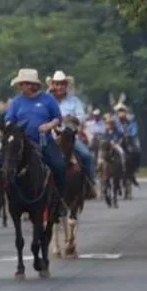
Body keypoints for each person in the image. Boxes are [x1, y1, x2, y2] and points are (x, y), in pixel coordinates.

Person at [3, 68, 66, 194]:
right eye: (20, 84)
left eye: (22, 84)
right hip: (21, 142)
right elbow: (9, 119)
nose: (20, 87)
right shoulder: (16, 101)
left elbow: (57, 118)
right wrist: (11, 126)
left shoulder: (48, 99)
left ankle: (60, 198)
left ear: (31, 85)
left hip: (44, 141)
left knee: (59, 165)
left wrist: (48, 126)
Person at [48, 70, 97, 198]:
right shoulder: (47, 100)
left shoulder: (74, 101)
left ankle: (89, 184)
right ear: (53, 85)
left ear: (66, 85)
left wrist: (72, 120)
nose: (59, 87)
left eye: (62, 84)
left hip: (69, 136)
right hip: (50, 136)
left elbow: (81, 117)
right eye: (57, 84)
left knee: (86, 155)